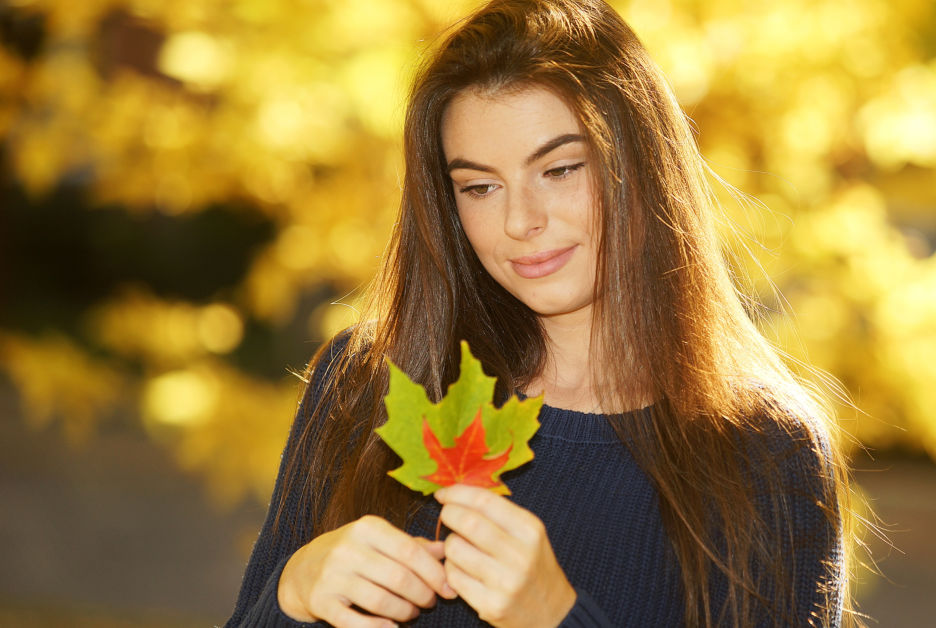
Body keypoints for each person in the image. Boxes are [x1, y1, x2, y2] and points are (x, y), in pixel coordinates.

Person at [224, 0, 848, 626]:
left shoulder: (766, 453)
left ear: (642, 165)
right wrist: (293, 594)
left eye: (559, 169)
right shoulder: (369, 384)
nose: (522, 222)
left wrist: (553, 616)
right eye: (480, 187)